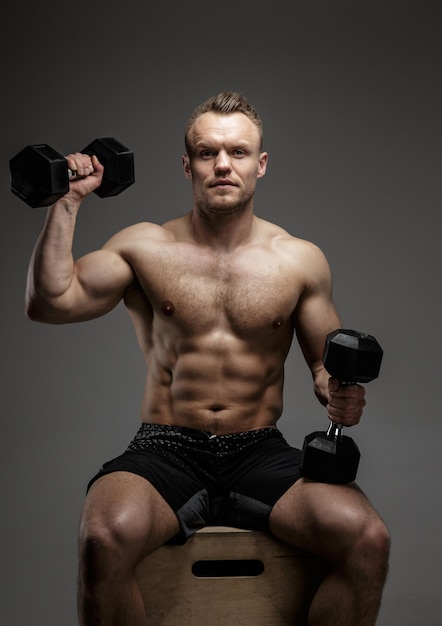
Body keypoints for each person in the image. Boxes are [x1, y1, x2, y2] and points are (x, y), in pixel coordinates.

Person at [25, 91, 390, 625]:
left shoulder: (299, 260)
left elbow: (325, 366)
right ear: (187, 164)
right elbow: (50, 303)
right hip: (166, 447)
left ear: (260, 165)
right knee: (103, 537)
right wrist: (68, 202)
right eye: (207, 152)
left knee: (367, 538)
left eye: (238, 153)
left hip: (260, 449)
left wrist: (341, 396)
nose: (223, 164)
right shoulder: (144, 246)